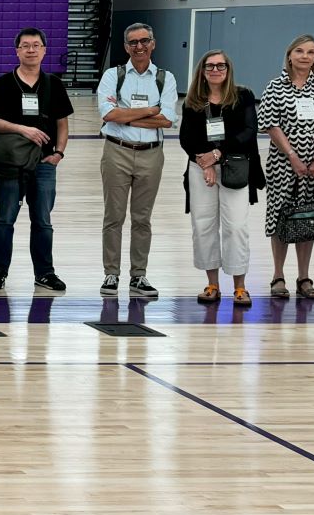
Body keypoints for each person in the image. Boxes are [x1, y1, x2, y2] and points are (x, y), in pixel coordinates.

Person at [0, 26, 72, 294]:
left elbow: (62, 124)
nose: (31, 50)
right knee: (5, 219)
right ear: (17, 51)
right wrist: (22, 129)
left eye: (36, 45)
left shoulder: (53, 84)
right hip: (11, 163)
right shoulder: (3, 84)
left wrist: (58, 154)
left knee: (43, 221)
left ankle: (45, 273)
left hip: (44, 163)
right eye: (26, 45)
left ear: (44, 50)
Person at [96, 21, 178, 300]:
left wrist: (127, 112)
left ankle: (138, 275)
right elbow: (109, 114)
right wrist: (150, 110)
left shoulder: (165, 78)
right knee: (113, 217)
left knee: (142, 219)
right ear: (125, 47)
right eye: (133, 42)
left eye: (144, 41)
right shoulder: (112, 75)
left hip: (151, 154)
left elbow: (166, 119)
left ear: (153, 43)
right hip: (116, 151)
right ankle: (111, 273)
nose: (139, 46)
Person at [261, 34, 314, 302]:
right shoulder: (275, 86)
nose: (305, 56)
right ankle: (278, 275)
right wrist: (293, 156)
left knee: (309, 217)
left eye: (310, 52)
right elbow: (271, 124)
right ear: (289, 55)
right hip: (284, 164)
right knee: (282, 215)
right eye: (299, 51)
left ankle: (304, 277)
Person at [179, 49, 264, 307]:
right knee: (203, 226)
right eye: (210, 66)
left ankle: (240, 287)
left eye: (221, 66)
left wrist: (216, 154)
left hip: (234, 167)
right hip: (200, 167)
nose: (215, 70)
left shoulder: (243, 96)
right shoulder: (193, 101)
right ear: (202, 72)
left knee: (236, 226)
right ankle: (212, 284)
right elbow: (186, 137)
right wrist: (202, 161)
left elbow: (249, 131)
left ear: (228, 69)